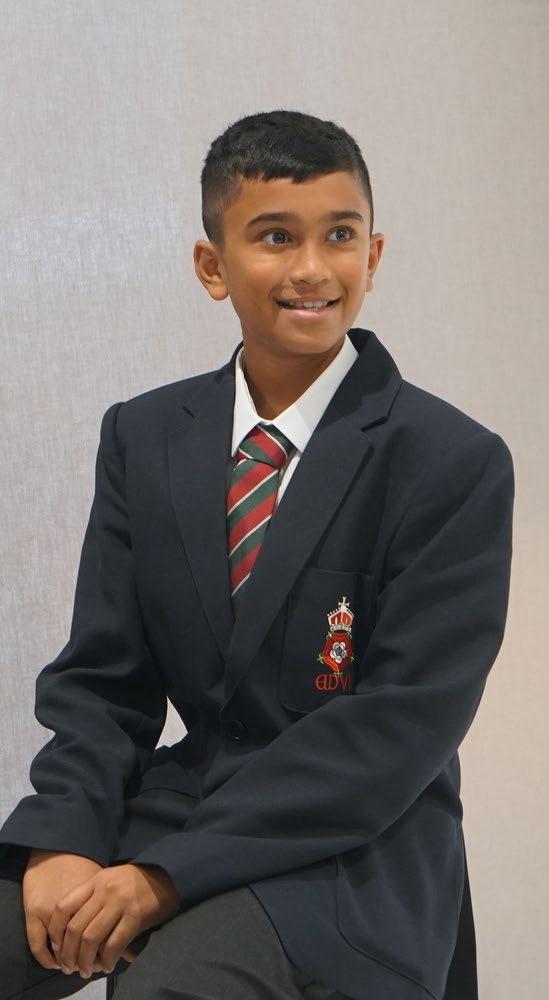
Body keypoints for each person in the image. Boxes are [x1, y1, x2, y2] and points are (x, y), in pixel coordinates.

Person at [0, 109, 514, 1000]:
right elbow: (104, 679)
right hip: (174, 809)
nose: (312, 268)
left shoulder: (450, 460)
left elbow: (396, 731)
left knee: (172, 988)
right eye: (276, 237)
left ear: (373, 255)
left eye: (339, 236)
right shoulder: (145, 435)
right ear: (213, 266)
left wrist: (163, 877)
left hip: (352, 850)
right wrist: (64, 840)